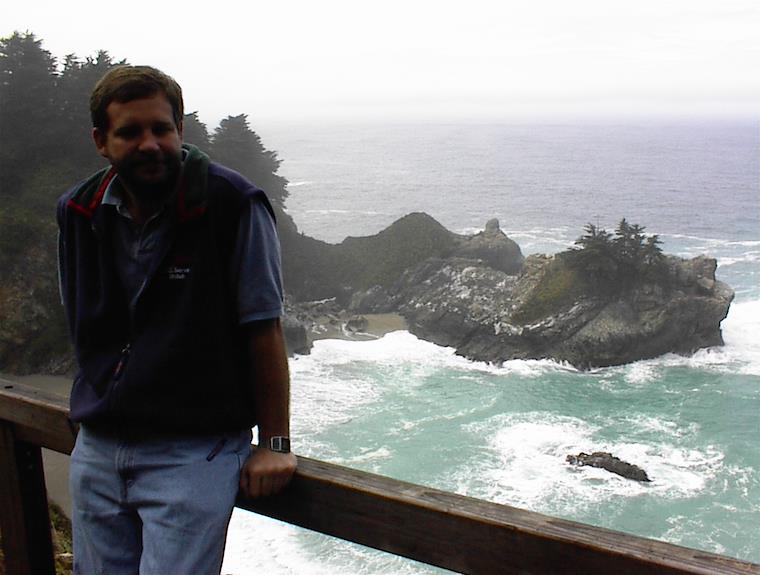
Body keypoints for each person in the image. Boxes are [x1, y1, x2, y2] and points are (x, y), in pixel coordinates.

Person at [57, 65, 297, 574]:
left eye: (161, 128)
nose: (150, 144)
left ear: (180, 129)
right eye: (130, 131)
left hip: (193, 452)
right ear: (101, 141)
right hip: (99, 447)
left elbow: (264, 328)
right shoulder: (79, 211)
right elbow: (81, 319)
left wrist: (275, 444)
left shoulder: (233, 204)